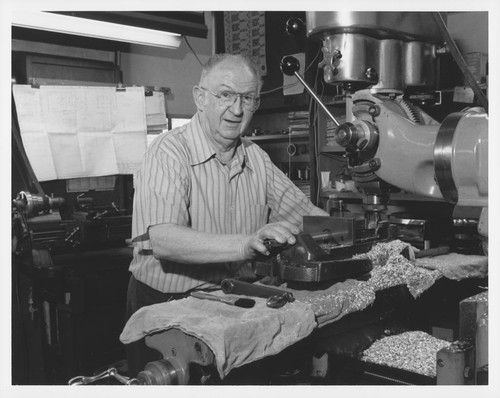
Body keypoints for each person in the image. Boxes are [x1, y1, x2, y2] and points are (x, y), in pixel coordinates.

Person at [125, 53, 328, 376]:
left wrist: (358, 237)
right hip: (166, 307)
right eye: (225, 95)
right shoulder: (168, 152)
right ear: (200, 97)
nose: (237, 110)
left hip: (228, 303)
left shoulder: (255, 157)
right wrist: (247, 244)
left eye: (247, 98)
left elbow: (307, 215)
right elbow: (164, 240)